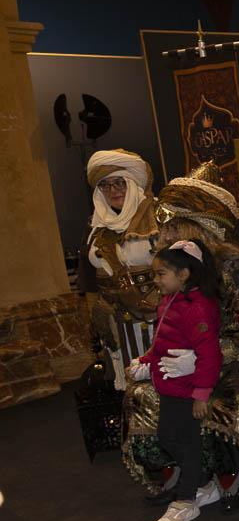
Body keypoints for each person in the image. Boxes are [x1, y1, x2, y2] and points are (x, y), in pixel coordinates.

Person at [122, 163, 239, 512]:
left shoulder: (234, 265)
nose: (165, 237)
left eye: (173, 228)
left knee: (216, 400)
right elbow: (167, 322)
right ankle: (182, 470)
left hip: (229, 353)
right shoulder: (172, 272)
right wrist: (152, 360)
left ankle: (228, 475)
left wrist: (200, 361)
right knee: (142, 394)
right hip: (183, 358)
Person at [129, 240, 222, 521]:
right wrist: (145, 361)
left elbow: (210, 355)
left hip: (186, 390)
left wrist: (201, 394)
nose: (156, 280)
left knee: (185, 443)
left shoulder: (197, 307)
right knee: (169, 438)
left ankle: (186, 499)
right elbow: (162, 342)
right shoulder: (171, 300)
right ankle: (203, 484)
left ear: (183, 274)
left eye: (161, 274)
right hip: (169, 386)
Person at [78, 149, 159, 388]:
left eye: (119, 183)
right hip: (119, 325)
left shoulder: (159, 217)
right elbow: (89, 284)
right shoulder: (95, 228)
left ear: (132, 183)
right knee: (134, 390)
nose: (113, 191)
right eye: (105, 185)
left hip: (160, 321)